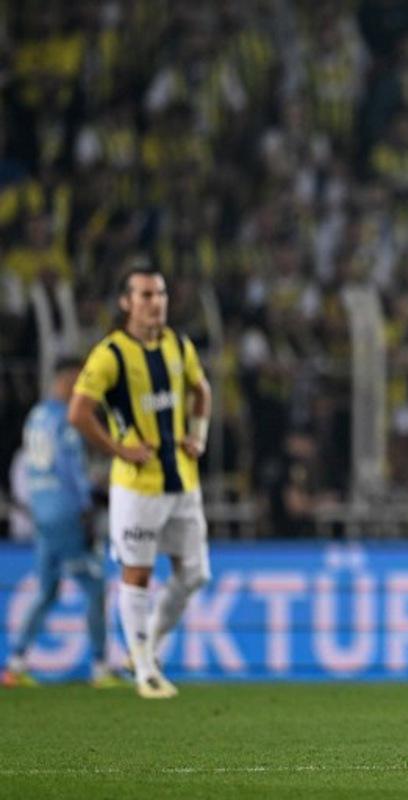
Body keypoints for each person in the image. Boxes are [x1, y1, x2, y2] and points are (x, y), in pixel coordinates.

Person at [67, 264, 212, 700]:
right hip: (137, 486)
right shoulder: (110, 354)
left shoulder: (177, 345)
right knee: (138, 573)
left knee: (196, 574)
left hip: (182, 481)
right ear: (126, 303)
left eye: (161, 294)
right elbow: (78, 412)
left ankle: (142, 646)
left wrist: (198, 438)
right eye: (146, 295)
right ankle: (146, 669)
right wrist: (120, 449)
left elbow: (201, 390)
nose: (156, 302)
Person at [2, 358, 123, 689]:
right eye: (80, 379)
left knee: (46, 590)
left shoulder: (36, 416)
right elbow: (69, 469)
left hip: (42, 513)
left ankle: (14, 664)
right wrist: (87, 506)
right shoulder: (68, 420)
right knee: (96, 587)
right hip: (66, 512)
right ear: (67, 379)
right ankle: (100, 667)